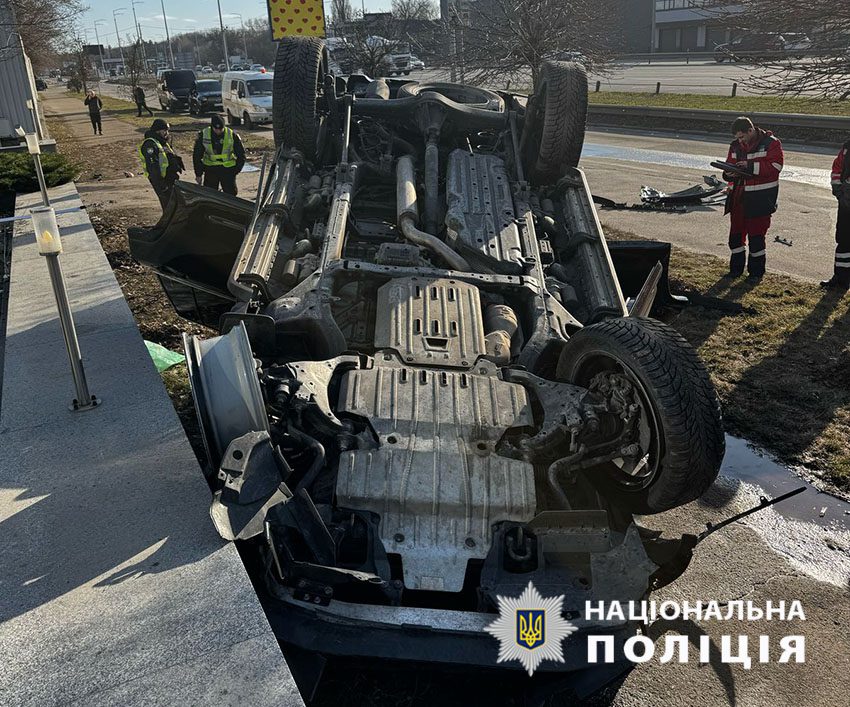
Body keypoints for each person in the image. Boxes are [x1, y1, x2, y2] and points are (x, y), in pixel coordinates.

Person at [722, 116, 784, 279]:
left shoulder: (771, 143)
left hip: (760, 199)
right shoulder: (735, 145)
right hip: (738, 198)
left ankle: (756, 274)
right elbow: (730, 163)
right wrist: (728, 172)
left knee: (756, 238)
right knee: (735, 237)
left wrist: (749, 166)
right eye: (737, 138)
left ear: (750, 130)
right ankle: (735, 270)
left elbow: (775, 167)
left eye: (742, 137)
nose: (740, 141)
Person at [192, 114, 245, 196]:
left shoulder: (232, 135)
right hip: (210, 169)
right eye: (216, 129)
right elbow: (197, 155)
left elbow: (241, 155)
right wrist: (198, 174)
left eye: (221, 129)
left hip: (228, 169)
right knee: (210, 195)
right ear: (212, 127)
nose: (218, 131)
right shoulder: (204, 135)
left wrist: (236, 170)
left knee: (231, 195)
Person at [138, 118, 185, 211]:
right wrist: (162, 185)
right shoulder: (150, 144)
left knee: (175, 204)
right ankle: (169, 224)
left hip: (169, 178)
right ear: (158, 131)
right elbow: (153, 167)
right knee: (169, 206)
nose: (167, 133)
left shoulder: (162, 141)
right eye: (165, 130)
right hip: (161, 180)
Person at [822, 140, 850, 290]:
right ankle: (841, 278)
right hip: (846, 203)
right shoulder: (847, 148)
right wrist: (839, 192)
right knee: (843, 239)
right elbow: (837, 169)